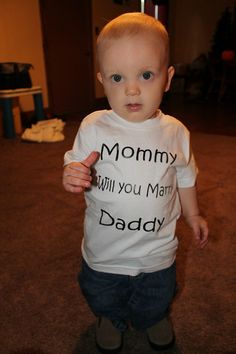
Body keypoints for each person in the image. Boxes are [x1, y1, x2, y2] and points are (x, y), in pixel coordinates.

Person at [63, 12, 209, 353]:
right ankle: (108, 317)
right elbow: (75, 162)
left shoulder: (175, 132)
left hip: (156, 251)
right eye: (117, 77)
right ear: (102, 80)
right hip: (104, 251)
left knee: (157, 293)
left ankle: (153, 317)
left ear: (168, 78)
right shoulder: (95, 126)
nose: (131, 89)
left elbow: (186, 176)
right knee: (99, 291)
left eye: (146, 75)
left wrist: (193, 215)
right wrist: (71, 174)